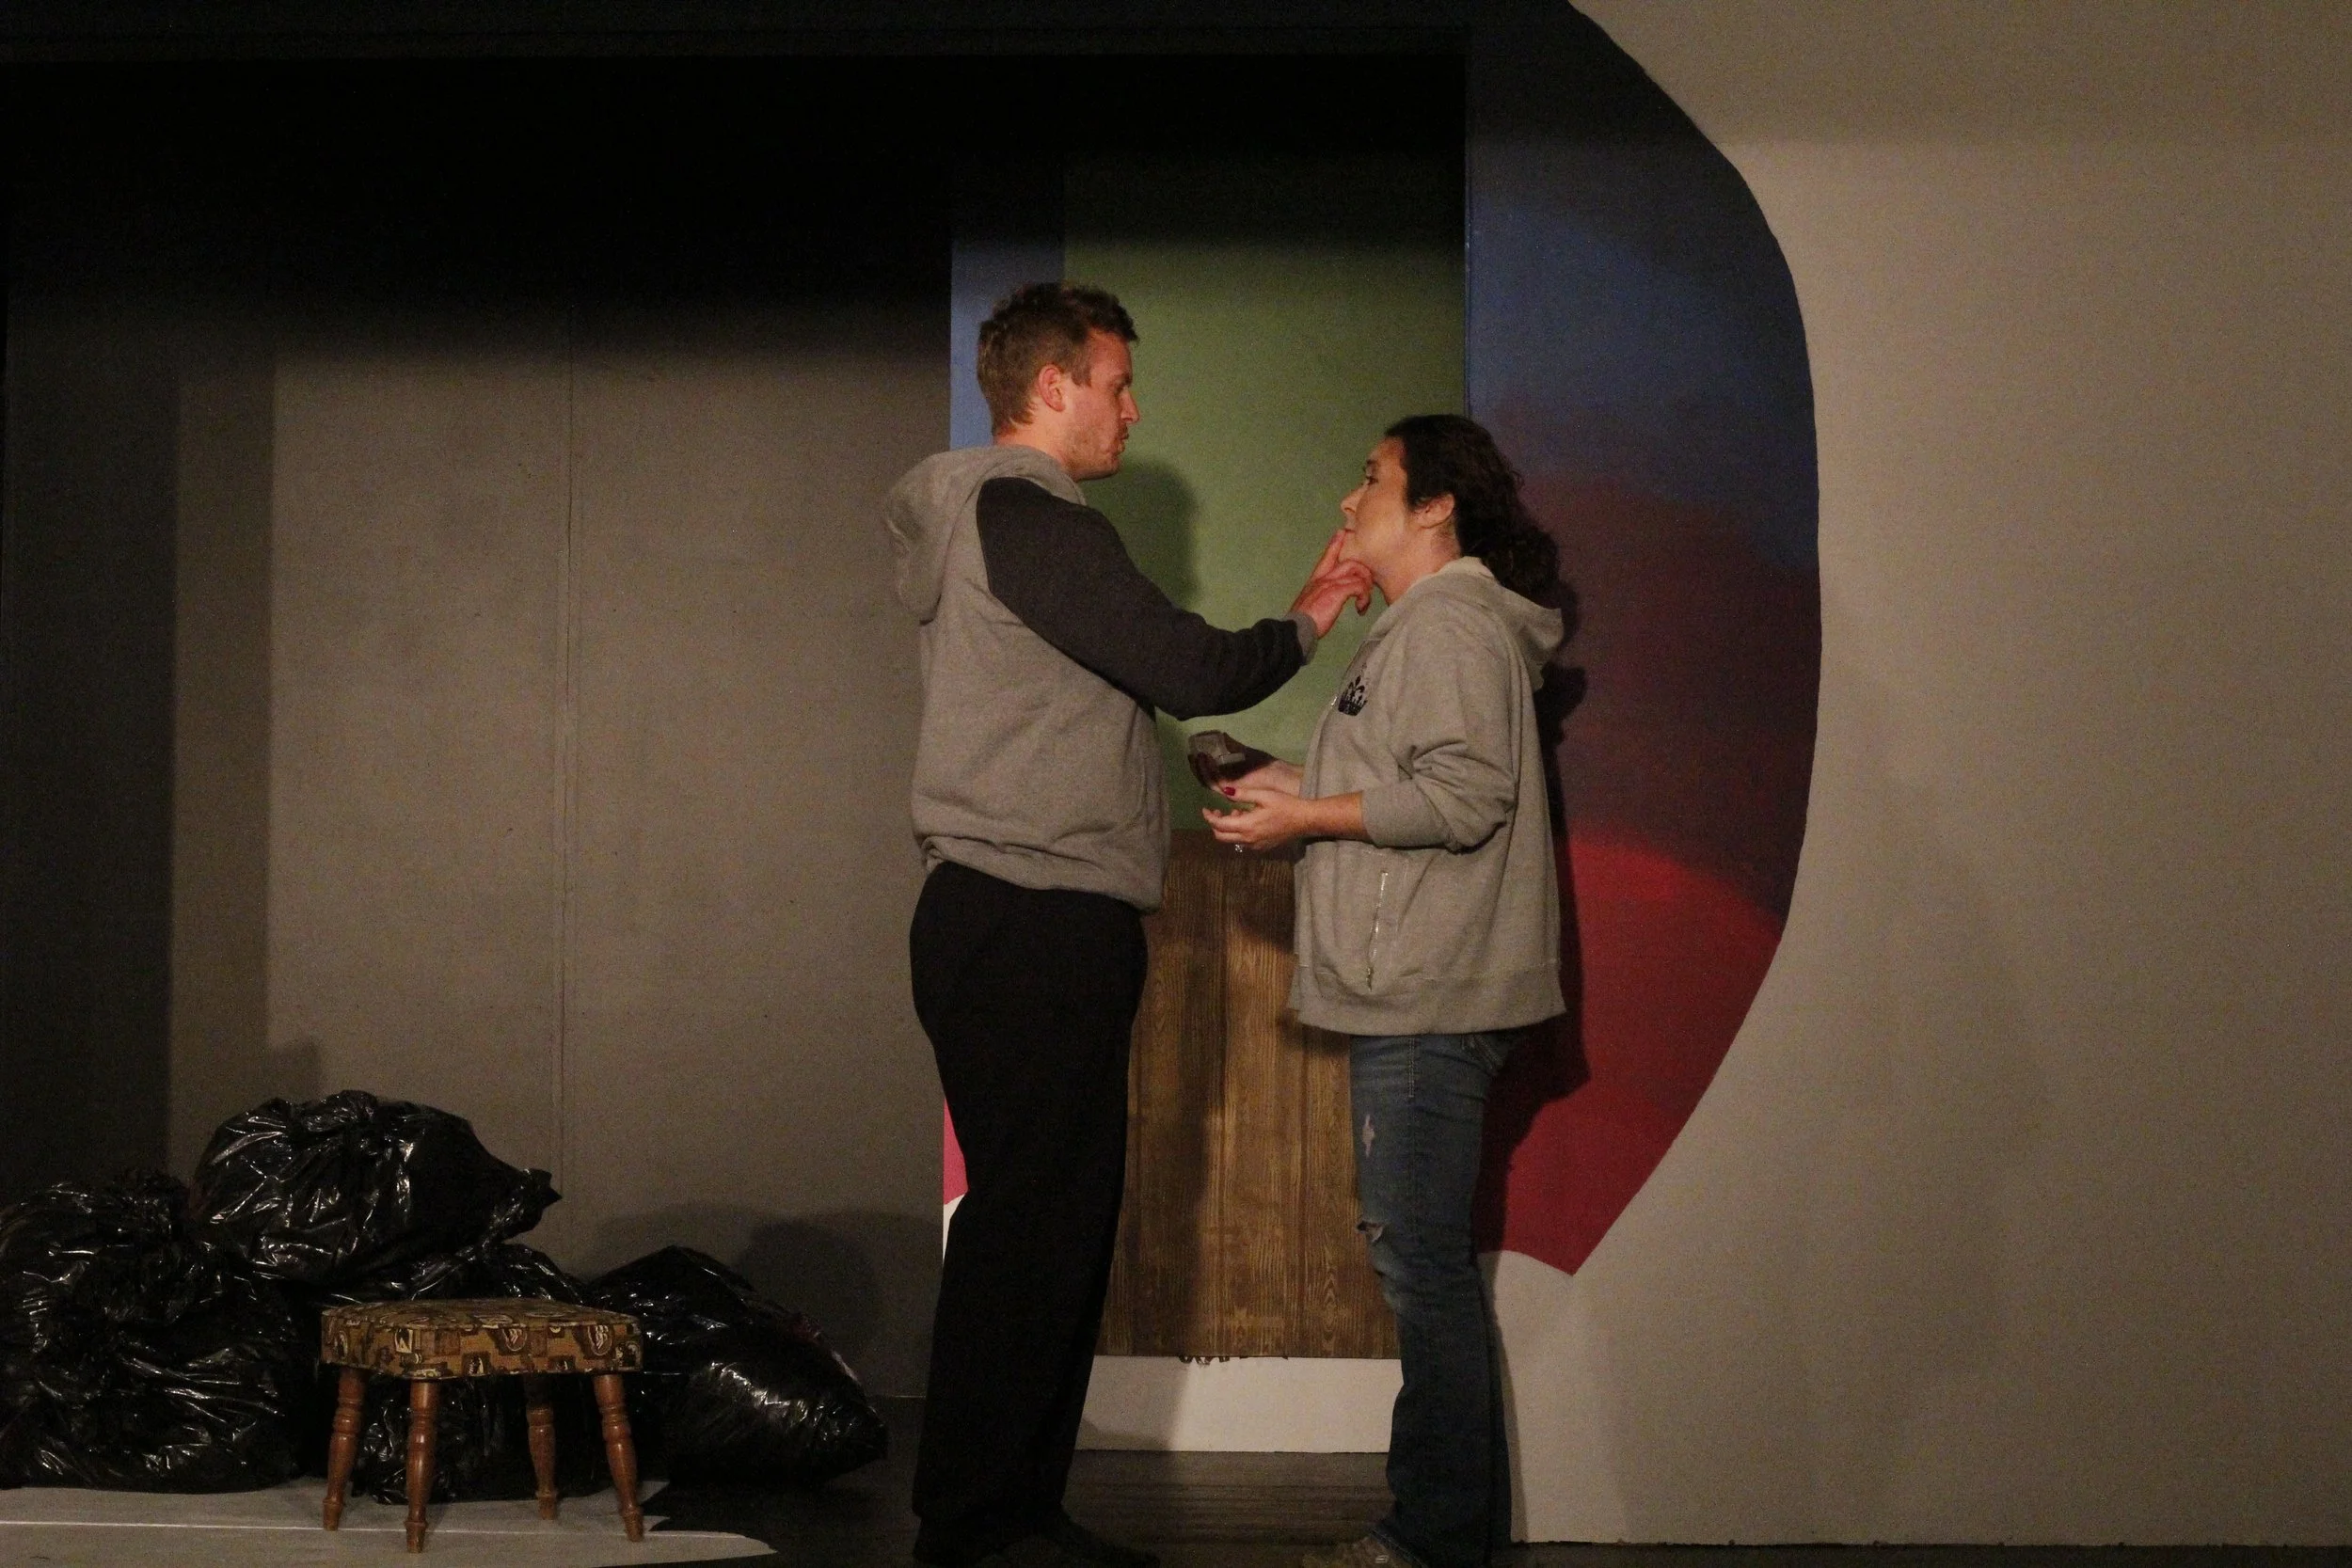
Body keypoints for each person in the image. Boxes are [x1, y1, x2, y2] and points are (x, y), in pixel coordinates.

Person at [885, 281, 1374, 1568]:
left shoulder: (1002, 524)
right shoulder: (1030, 514)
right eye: (1117, 383)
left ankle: (1012, 1508)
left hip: (1017, 910)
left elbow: (1100, 694)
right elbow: (1192, 664)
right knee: (1032, 1225)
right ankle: (978, 1522)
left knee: (1052, 1221)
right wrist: (1317, 604)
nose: (1132, 410)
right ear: (1052, 388)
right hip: (1028, 913)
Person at [1203, 415, 1567, 1568]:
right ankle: (1435, 1528)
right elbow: (1408, 781)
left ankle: (1433, 1535)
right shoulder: (1429, 627)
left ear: (1434, 506)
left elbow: (1464, 798)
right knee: (1418, 1257)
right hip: (1415, 985)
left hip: (1427, 991)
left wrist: (1306, 814)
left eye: (1373, 476)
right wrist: (1288, 784)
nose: (1350, 494)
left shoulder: (1453, 624)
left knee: (1420, 1265)